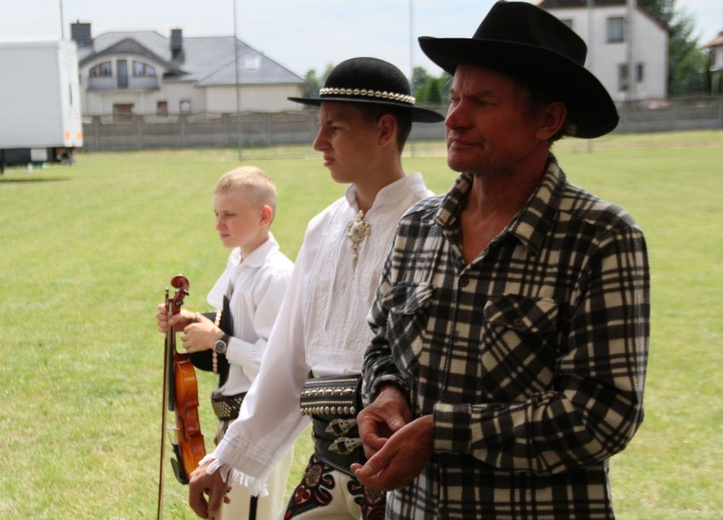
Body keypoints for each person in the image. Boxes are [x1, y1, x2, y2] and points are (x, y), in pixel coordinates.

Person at [351, 2, 651, 519]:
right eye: (454, 97)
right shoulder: (417, 227)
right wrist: (387, 392)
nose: (454, 117)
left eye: (482, 102)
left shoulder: (600, 238)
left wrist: (444, 432)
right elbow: (382, 343)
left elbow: (603, 415)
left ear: (548, 119)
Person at [187, 57, 444, 520]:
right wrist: (228, 457)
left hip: (403, 480)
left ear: (386, 131)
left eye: (335, 128)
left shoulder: (433, 227)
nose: (318, 142)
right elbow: (288, 355)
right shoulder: (322, 227)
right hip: (326, 469)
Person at [157, 166, 294, 520]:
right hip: (232, 421)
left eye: (230, 214)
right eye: (216, 214)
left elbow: (276, 363)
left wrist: (218, 342)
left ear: (264, 215)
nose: (219, 223)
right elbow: (228, 322)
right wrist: (187, 319)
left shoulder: (276, 277)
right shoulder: (239, 260)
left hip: (258, 425)